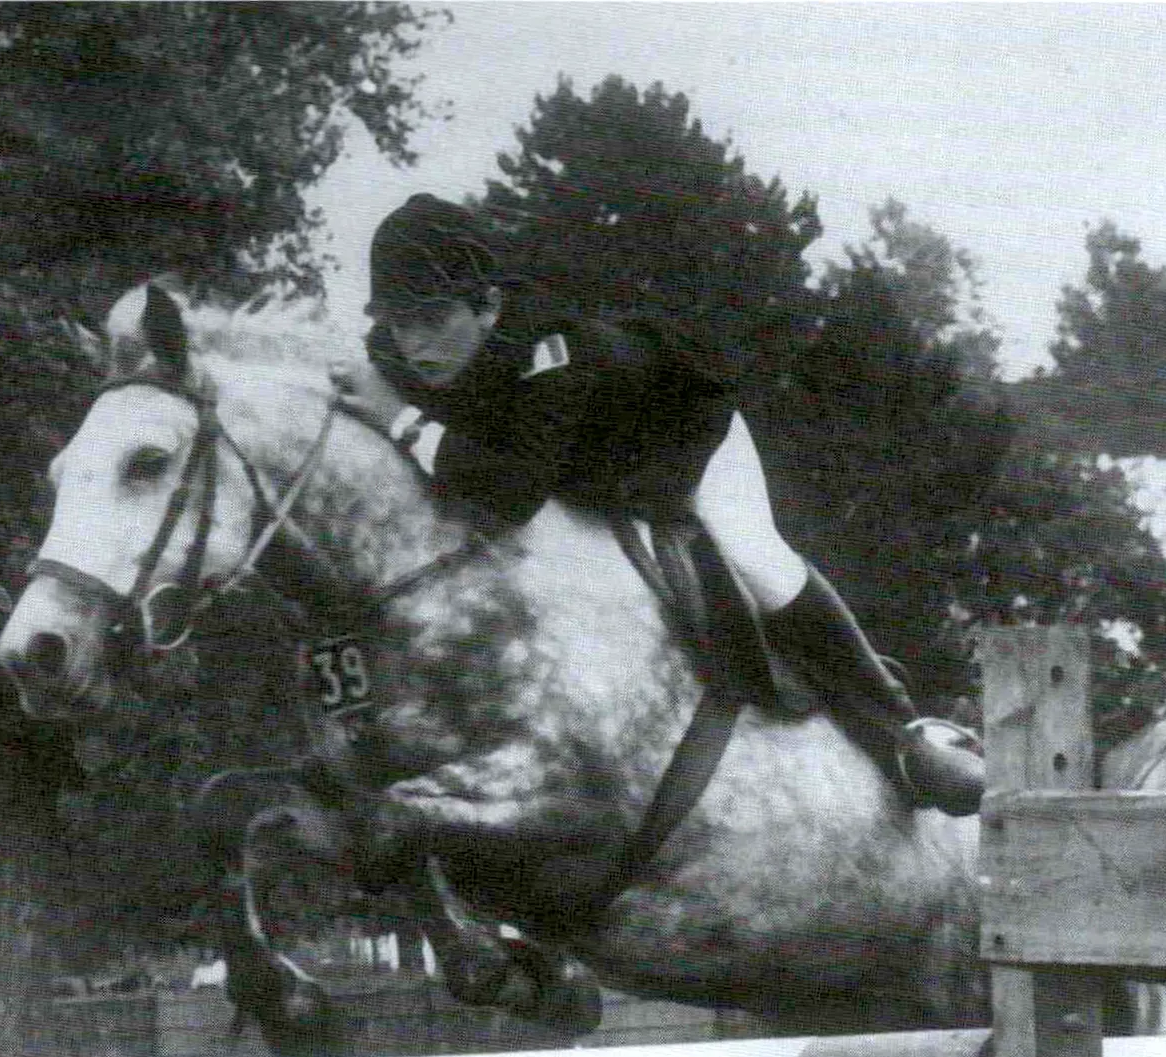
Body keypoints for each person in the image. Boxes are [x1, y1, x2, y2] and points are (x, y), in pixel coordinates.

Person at [330, 194, 985, 815]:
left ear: (487, 306)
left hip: (684, 449)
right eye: (400, 323)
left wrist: (401, 421)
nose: (416, 345)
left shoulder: (550, 352)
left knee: (757, 561)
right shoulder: (399, 354)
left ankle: (904, 734)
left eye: (435, 319)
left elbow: (511, 493)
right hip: (586, 476)